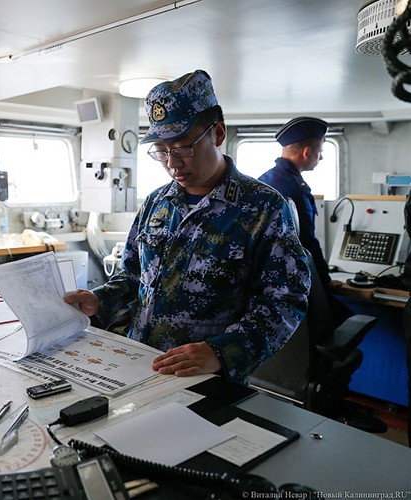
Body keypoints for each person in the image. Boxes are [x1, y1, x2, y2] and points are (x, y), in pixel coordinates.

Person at [65, 70, 310, 384]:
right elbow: (134, 275)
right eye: (161, 151)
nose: (172, 163)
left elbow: (284, 302)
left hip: (206, 377)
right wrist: (100, 300)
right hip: (138, 364)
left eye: (182, 147)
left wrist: (220, 353)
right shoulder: (156, 203)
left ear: (217, 134)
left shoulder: (264, 207)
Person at [258, 117, 352, 326]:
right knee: (346, 320)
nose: (321, 157)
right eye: (320, 152)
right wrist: (326, 282)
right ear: (307, 152)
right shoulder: (296, 190)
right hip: (294, 283)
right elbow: (306, 242)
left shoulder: (262, 181)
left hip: (264, 284)